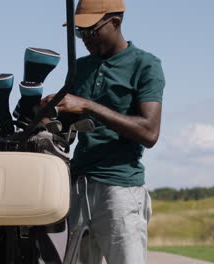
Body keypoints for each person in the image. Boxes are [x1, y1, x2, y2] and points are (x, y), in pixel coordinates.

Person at [41, 0, 165, 263]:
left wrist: (87, 105)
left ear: (115, 23)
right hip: (76, 187)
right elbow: (66, 130)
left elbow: (149, 132)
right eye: (79, 33)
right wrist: (46, 116)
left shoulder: (145, 65)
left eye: (90, 31)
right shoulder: (81, 68)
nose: (85, 38)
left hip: (119, 189)